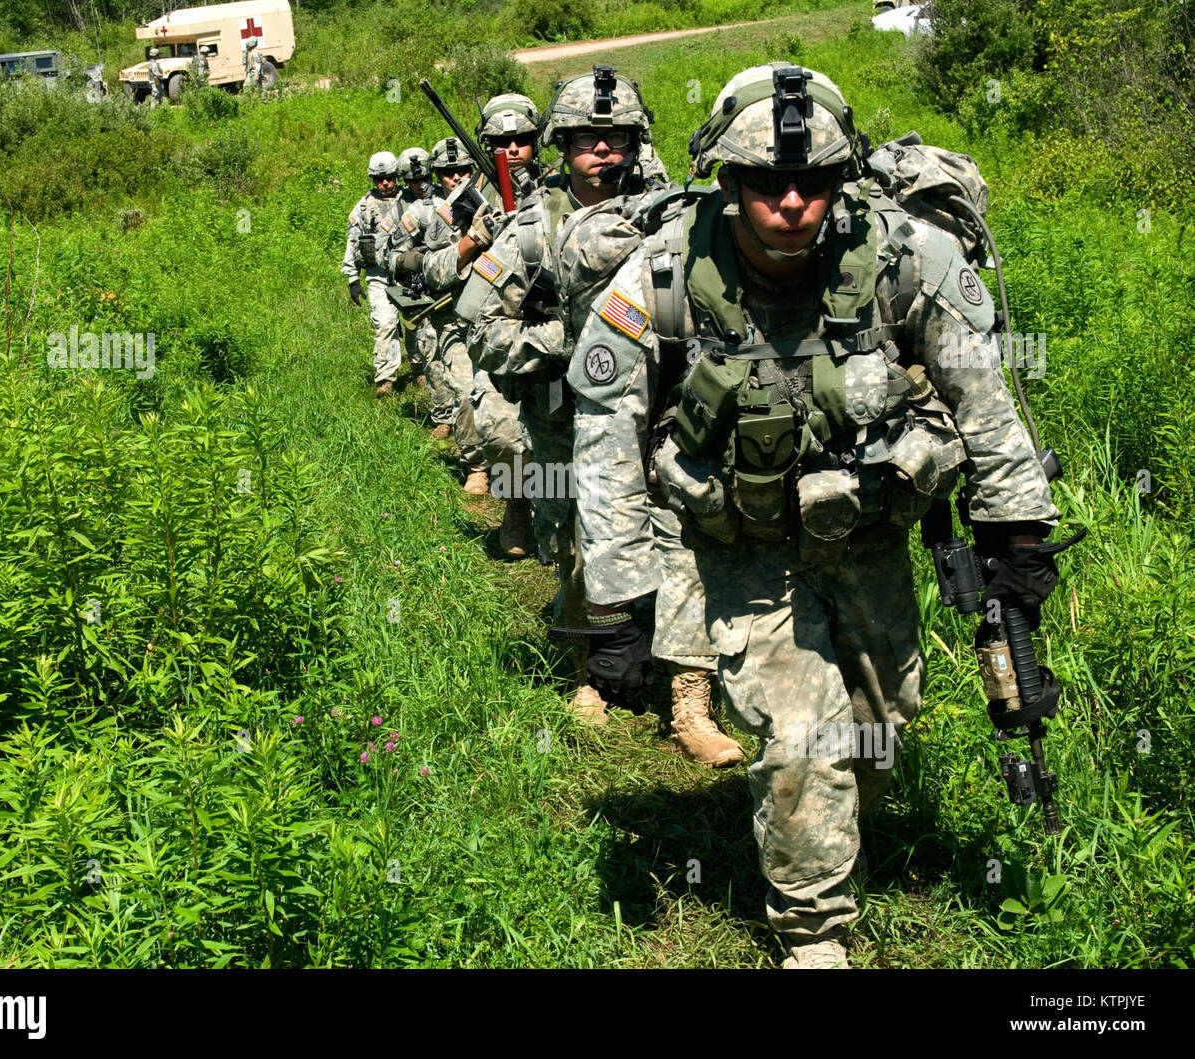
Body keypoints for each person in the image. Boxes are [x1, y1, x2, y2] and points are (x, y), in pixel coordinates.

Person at [558, 63, 1061, 966]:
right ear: (726, 178)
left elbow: (983, 401)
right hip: (742, 549)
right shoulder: (665, 275)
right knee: (799, 737)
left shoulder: (904, 259)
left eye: (814, 181)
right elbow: (603, 430)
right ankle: (813, 932)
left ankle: (827, 826)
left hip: (869, 533)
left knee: (879, 724)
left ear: (841, 177)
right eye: (767, 183)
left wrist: (1015, 535)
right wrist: (622, 597)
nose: (792, 202)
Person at [459, 67, 742, 764]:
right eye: (589, 139)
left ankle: (689, 702)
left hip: (671, 408)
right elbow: (479, 327)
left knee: (688, 538)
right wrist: (564, 343)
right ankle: (593, 676)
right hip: (565, 417)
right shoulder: (532, 228)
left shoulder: (676, 214)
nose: (605, 152)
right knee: (583, 546)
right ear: (563, 144)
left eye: (618, 138)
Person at [422, 99, 539, 512]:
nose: (511, 150)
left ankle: (558, 508)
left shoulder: (562, 187)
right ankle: (517, 506)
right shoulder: (465, 201)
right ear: (485, 147)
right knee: (498, 428)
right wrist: (473, 240)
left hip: (551, 327)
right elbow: (432, 268)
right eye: (500, 142)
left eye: (521, 140)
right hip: (492, 329)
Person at [387, 145, 458, 440]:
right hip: (433, 295)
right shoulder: (419, 211)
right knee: (434, 354)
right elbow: (392, 257)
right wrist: (412, 261)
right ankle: (444, 416)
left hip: (471, 293)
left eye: (464, 172)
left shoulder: (473, 203)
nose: (457, 178)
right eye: (450, 173)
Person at [342, 150, 404, 397]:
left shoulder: (409, 199)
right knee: (385, 323)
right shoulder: (364, 206)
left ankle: (421, 369)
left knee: (418, 324)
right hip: (379, 274)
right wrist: (352, 279)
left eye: (389, 177)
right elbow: (353, 239)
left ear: (396, 176)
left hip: (409, 272)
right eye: (379, 179)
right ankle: (386, 379)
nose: (385, 183)